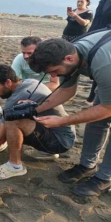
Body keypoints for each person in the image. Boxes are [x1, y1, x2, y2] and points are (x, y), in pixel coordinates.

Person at [0, 65, 75, 181]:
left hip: (59, 141)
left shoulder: (15, 100)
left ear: (8, 82)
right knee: (12, 118)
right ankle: (47, 152)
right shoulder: (30, 82)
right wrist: (3, 110)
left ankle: (15, 166)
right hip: (64, 132)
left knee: (12, 122)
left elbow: (0, 138)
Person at [28, 30, 111, 196]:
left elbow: (108, 108)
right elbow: (67, 91)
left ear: (69, 59)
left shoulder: (104, 65)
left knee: (103, 113)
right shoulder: (71, 54)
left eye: (55, 71)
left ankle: (105, 178)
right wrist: (34, 109)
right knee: (97, 121)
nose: (53, 76)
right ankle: (87, 166)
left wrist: (62, 121)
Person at [86, 0, 111, 103]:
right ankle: (96, 96)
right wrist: (89, 37)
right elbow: (96, 23)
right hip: (104, 36)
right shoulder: (104, 2)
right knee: (100, 63)